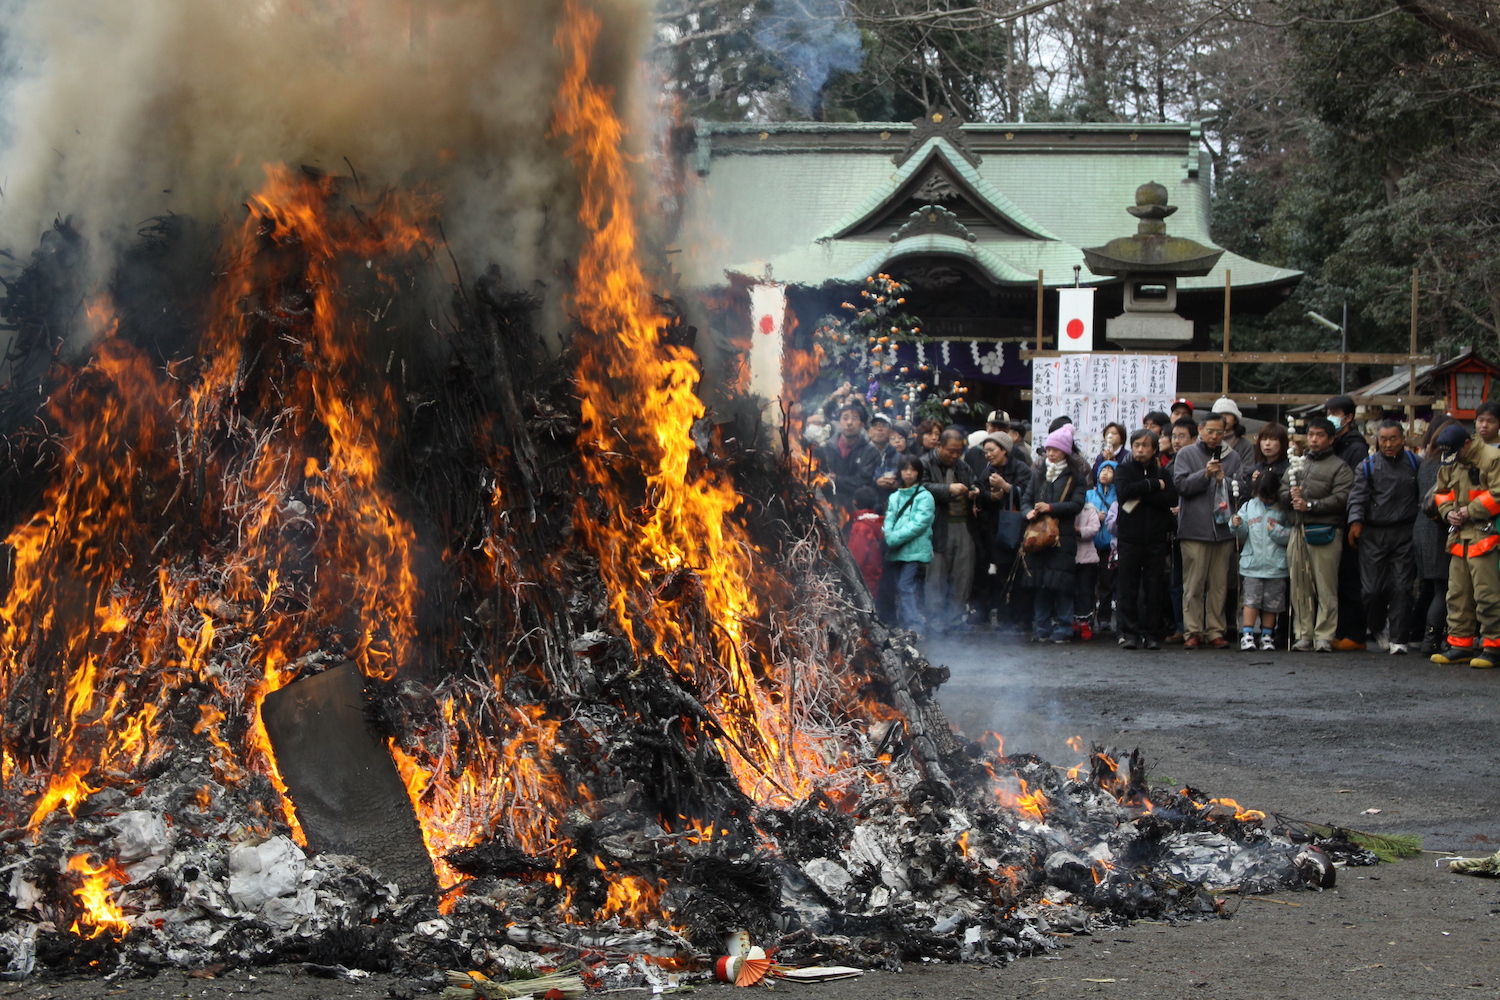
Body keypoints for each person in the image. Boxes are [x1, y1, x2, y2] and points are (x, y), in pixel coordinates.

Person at [1280, 417, 1356, 652]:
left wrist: (1310, 505)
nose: (1313, 439)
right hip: (1297, 529)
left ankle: (1324, 634)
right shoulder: (1296, 463)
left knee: (1325, 586)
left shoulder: (1340, 467)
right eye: (1311, 434)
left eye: (1320, 435)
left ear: (1331, 439)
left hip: (1326, 530)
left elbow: (1342, 498)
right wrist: (1290, 496)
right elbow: (1281, 490)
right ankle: (1303, 633)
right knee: (1299, 586)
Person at [1429, 423, 1500, 667]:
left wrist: (1470, 511)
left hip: (1486, 535)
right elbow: (1441, 492)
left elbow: (1498, 494)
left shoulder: (1493, 458)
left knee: (1487, 594)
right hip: (1459, 536)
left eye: (1456, 453)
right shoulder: (1451, 460)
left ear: (1467, 444)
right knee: (1457, 594)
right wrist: (1448, 512)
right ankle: (1460, 644)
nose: (1452, 459)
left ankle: (1494, 645)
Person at [1347, 420, 1420, 654]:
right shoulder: (1367, 466)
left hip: (1405, 531)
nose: (1388, 444)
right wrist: (1355, 522)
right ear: (1376, 440)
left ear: (1403, 438)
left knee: (1402, 586)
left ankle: (1399, 638)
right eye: (1383, 439)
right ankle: (1377, 626)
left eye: (1393, 439)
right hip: (1374, 532)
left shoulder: (1414, 463)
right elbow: (1357, 497)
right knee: (1371, 590)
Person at [1173, 412, 1243, 649]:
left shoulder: (1232, 456)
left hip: (1223, 530)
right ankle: (1192, 630)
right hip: (1194, 530)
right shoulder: (1186, 453)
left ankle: (1216, 630)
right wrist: (1204, 474)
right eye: (1210, 431)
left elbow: (1242, 489)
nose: (1215, 436)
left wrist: (1226, 479)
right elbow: (1181, 486)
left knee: (1219, 585)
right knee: (1193, 584)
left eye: (1220, 432)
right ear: (1200, 430)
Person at [1113, 428, 1178, 649]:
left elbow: (1171, 497)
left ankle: (1151, 633)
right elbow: (1124, 492)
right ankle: (1128, 632)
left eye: (1146, 446)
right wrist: (1152, 486)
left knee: (1154, 587)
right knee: (1127, 586)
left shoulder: (1163, 472)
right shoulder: (1124, 468)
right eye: (1137, 445)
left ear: (1154, 449)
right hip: (1129, 536)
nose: (1141, 450)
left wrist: (1143, 493)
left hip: (1156, 537)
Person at [1024, 424, 1085, 642]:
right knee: (1040, 583)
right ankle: (1042, 626)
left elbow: (1077, 504)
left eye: (1055, 450)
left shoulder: (1075, 476)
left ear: (1065, 452)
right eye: (1048, 448)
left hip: (1062, 537)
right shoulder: (1038, 474)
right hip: (1038, 537)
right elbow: (1026, 499)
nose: (1050, 453)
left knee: (1062, 585)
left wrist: (1051, 508)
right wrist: (1028, 512)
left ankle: (1065, 627)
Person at [1324, 394, 1371, 650]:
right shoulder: (1336, 443)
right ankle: (1341, 630)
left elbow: (1355, 487)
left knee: (1352, 579)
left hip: (1348, 518)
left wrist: (1354, 518)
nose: (1332, 417)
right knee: (1338, 580)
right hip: (1335, 520)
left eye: (1335, 413)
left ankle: (1355, 633)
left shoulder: (1356, 447)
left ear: (1349, 417)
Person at [973, 433, 1033, 632]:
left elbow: (1029, 493)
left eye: (992, 450)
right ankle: (1005, 620)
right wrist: (989, 495)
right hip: (996, 531)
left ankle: (1023, 620)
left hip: (1018, 530)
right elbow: (982, 495)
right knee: (1001, 576)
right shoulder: (986, 471)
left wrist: (1006, 487)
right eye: (986, 451)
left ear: (1005, 450)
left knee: (1020, 576)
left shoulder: (1021, 468)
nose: (988, 455)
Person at [920, 429, 979, 629]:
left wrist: (975, 491)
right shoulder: (924, 464)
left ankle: (955, 619)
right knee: (935, 575)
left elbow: (974, 482)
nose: (955, 456)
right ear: (939, 446)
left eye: (958, 452)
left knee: (963, 573)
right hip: (937, 526)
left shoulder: (962, 466)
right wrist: (947, 489)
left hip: (963, 525)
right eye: (951, 451)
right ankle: (935, 621)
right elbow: (919, 487)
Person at [1231, 469, 1290, 651]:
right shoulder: (1249, 506)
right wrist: (1236, 525)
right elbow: (1241, 533)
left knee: (1272, 604)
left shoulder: (1282, 510)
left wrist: (1276, 531)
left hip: (1276, 566)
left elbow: (1290, 536)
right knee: (1251, 601)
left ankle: (1267, 635)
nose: (1265, 500)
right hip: (1253, 565)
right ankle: (1247, 633)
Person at [1413, 417, 1458, 654]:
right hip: (1439, 525)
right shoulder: (1448, 463)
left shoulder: (1425, 461)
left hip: (1421, 527)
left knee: (1428, 586)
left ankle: (1418, 634)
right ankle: (1431, 639)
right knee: (1443, 587)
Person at [882, 457, 935, 631]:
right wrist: (889, 534)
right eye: (905, 469)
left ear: (919, 472)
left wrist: (894, 537)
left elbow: (919, 524)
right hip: (897, 549)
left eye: (912, 470)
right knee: (900, 586)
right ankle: (906, 621)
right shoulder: (895, 496)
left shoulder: (925, 496)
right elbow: (889, 518)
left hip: (915, 549)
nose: (909, 473)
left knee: (905, 585)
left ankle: (914, 623)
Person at [818, 402, 882, 510]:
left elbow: (863, 482)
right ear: (839, 422)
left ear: (862, 424)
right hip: (827, 506)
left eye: (855, 418)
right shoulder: (826, 448)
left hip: (857, 507)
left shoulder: (870, 452)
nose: (849, 423)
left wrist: (837, 480)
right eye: (845, 418)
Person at [1087, 461, 1118, 633]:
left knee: (1107, 582)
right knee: (1089, 582)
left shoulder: (1118, 495)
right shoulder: (1089, 494)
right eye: (1103, 469)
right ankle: (1088, 616)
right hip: (1090, 544)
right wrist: (1093, 516)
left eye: (1110, 470)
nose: (1105, 473)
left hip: (1109, 545)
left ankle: (1104, 617)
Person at [845, 487, 885, 597]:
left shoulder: (861, 527)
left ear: (854, 502)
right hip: (873, 577)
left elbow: (856, 558)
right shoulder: (876, 522)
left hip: (864, 579)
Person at [1073, 493, 1102, 641]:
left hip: (1086, 557)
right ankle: (1071, 619)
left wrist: (1078, 530)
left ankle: (1085, 622)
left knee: (1085, 590)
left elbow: (1094, 528)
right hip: (1069, 556)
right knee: (1070, 590)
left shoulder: (1089, 510)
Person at [1241, 423, 1290, 497]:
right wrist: (1253, 485)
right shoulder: (1253, 471)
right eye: (1264, 439)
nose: (1267, 443)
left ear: (1282, 443)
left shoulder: (1289, 470)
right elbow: (1245, 498)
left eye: (1273, 439)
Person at [1213, 397, 1257, 466]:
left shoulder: (1245, 444)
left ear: (1235, 420)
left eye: (1228, 414)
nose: (1224, 417)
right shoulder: (1203, 441)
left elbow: (1247, 470)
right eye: (1220, 414)